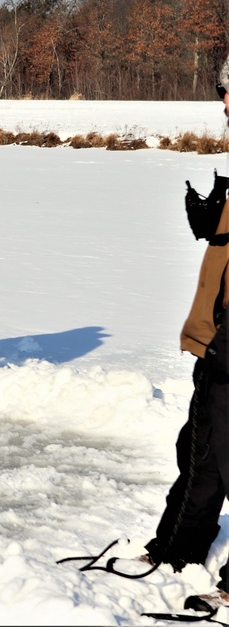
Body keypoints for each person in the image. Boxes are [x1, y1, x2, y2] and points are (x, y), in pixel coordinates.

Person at [141, 64, 229, 608]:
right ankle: (177, 550)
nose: (225, 105)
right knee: (201, 450)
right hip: (217, 336)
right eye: (223, 94)